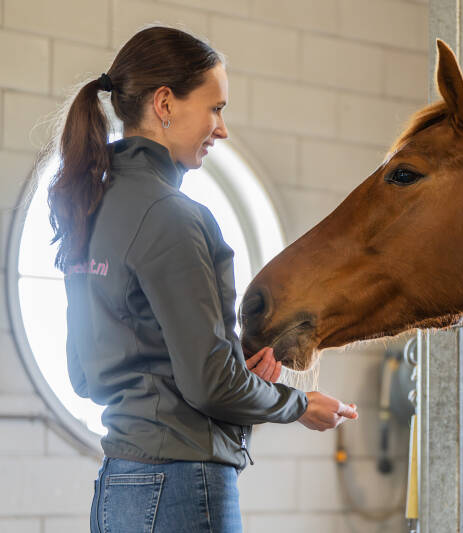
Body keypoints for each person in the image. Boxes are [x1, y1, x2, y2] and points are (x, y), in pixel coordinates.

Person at [46, 25, 358, 533]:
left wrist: (235, 378)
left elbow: (84, 375)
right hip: (180, 487)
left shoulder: (90, 206)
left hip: (117, 490)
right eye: (216, 108)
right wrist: (299, 404)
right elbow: (211, 386)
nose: (222, 129)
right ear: (165, 103)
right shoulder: (172, 216)